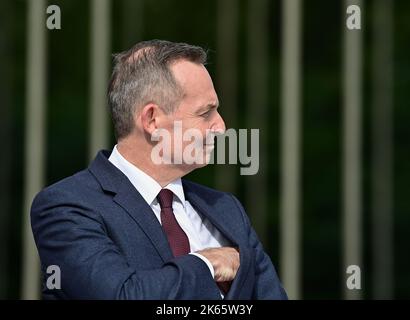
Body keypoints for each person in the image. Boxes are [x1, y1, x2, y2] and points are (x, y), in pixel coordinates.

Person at [31, 40, 287, 300]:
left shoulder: (226, 209)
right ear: (152, 120)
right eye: (205, 113)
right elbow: (121, 296)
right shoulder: (66, 207)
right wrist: (206, 264)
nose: (220, 127)